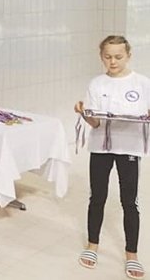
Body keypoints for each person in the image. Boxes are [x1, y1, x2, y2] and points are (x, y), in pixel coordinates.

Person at [74, 35, 148, 280]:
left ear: (128, 56)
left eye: (118, 56)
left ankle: (132, 255)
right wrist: (83, 113)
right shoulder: (97, 84)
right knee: (97, 197)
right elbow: (95, 123)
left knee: (130, 202)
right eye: (107, 57)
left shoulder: (142, 84)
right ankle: (92, 245)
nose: (113, 61)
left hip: (129, 148)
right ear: (101, 56)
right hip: (101, 149)